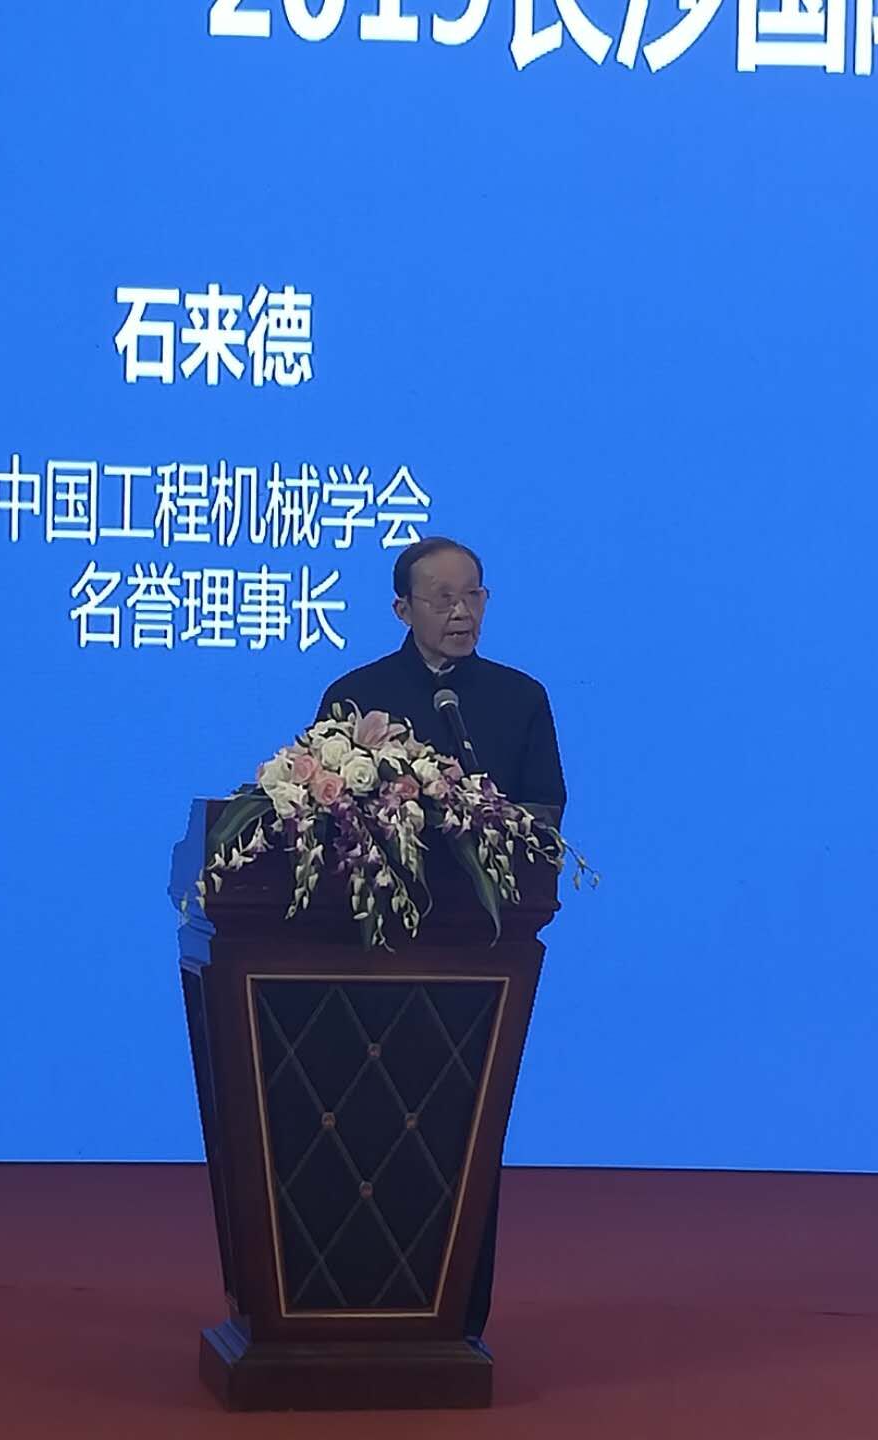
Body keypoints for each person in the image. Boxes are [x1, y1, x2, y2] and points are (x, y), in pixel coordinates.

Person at [316, 536, 567, 1339]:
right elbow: (323, 820)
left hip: (480, 961)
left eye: (474, 596)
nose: (462, 613)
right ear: (403, 609)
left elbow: (547, 815)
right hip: (374, 959)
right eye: (443, 599)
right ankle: (351, 1304)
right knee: (363, 1129)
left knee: (464, 1129)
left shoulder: (520, 698)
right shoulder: (355, 697)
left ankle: (458, 1315)